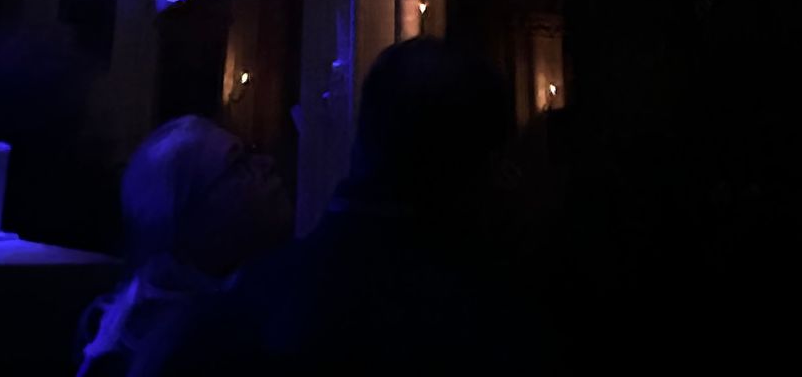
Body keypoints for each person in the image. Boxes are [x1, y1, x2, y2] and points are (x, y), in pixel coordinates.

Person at [136, 38, 552, 374]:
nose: (264, 164)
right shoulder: (493, 319)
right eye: (237, 164)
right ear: (483, 165)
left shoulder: (245, 303)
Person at [75, 115, 294, 376]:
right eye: (238, 165)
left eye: (251, 152)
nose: (266, 163)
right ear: (183, 219)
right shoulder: (201, 346)